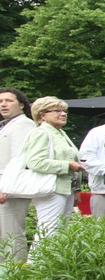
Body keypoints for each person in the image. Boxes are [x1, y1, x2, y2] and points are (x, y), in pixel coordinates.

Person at [20, 97, 83, 239]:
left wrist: (77, 189)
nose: (63, 114)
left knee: (59, 233)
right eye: (57, 111)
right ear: (42, 115)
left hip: (65, 189)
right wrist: (67, 165)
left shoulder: (60, 133)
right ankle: (38, 255)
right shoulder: (41, 132)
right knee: (48, 233)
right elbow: (35, 162)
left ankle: (51, 256)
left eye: (64, 111)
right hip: (50, 189)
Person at [0, 88, 37, 260]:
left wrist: (5, 187)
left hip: (10, 188)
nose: (3, 104)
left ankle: (16, 272)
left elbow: (19, 159)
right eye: (1, 101)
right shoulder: (8, 125)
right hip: (5, 186)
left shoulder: (23, 124)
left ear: (21, 105)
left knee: (12, 233)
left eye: (8, 100)